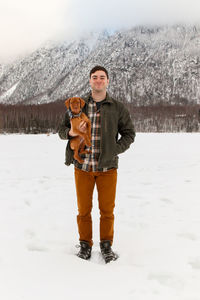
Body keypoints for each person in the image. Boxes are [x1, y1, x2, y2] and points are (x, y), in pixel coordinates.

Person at [58, 66, 135, 263]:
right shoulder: (78, 104)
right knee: (84, 210)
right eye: (95, 77)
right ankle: (85, 245)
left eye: (102, 77)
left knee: (107, 210)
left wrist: (114, 150)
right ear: (90, 81)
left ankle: (106, 245)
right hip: (82, 167)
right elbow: (61, 130)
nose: (98, 80)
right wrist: (71, 133)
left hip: (107, 168)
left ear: (107, 81)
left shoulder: (117, 107)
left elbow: (129, 133)